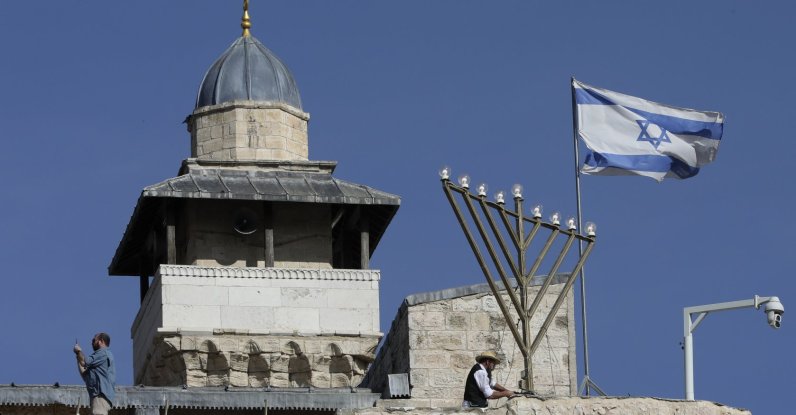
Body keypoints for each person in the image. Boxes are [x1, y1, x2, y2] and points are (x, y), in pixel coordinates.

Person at [73, 333, 116, 415]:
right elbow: (85, 375)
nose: (92, 342)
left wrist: (78, 351)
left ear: (101, 341)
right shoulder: (97, 363)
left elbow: (85, 362)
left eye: (94, 340)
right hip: (97, 397)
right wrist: (78, 356)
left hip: (100, 396)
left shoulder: (103, 353)